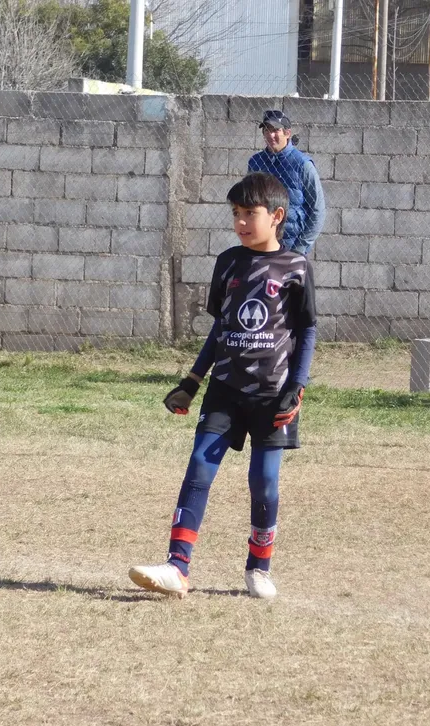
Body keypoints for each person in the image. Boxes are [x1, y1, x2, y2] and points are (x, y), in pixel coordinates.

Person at [128, 172, 318, 600]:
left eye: (250, 213)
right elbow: (220, 329)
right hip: (225, 390)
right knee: (199, 466)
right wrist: (193, 381)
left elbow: (307, 331)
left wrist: (297, 386)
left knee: (264, 481)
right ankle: (177, 567)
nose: (241, 223)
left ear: (277, 216)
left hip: (274, 394)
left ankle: (259, 567)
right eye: (235, 214)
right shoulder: (228, 262)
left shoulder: (296, 267)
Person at [247, 109, 326, 256]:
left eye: (276, 130)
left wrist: (299, 250)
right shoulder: (255, 163)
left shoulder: (303, 165)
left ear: (287, 133)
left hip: (291, 248)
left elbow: (318, 210)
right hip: (260, 247)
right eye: (266, 130)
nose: (270, 135)